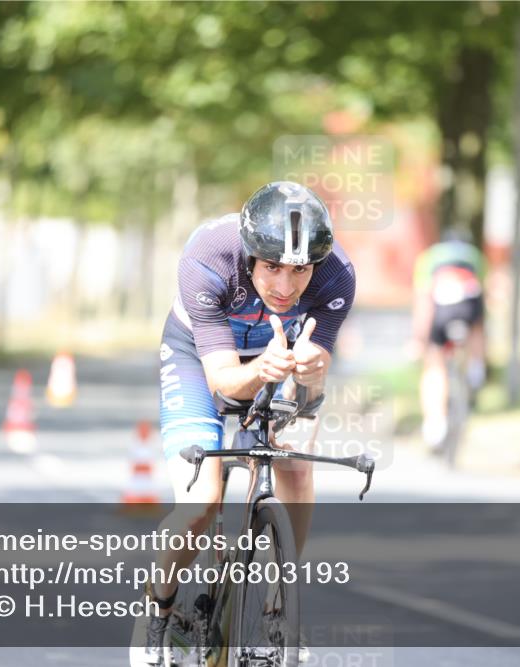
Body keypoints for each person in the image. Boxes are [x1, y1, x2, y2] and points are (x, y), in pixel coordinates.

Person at [131, 181, 356, 665]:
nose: (285, 287)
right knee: (200, 503)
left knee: (295, 465)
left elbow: (310, 390)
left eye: (299, 270)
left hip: (277, 356)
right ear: (251, 255)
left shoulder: (337, 276)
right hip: (200, 357)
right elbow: (224, 382)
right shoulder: (208, 257)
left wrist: (311, 374)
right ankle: (159, 608)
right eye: (272, 267)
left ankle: (279, 605)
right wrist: (262, 371)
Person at [409, 229, 486, 452]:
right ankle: (476, 367)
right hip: (469, 308)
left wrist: (418, 339)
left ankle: (435, 423)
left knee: (434, 363)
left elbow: (424, 301)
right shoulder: (475, 255)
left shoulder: (428, 257)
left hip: (442, 310)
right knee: (477, 326)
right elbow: (481, 293)